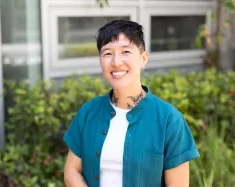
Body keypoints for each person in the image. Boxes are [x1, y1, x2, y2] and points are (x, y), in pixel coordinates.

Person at [63, 20, 199, 187]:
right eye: (107, 54)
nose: (116, 62)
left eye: (125, 51)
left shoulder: (169, 120)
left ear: (143, 58)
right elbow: (71, 171)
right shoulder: (88, 112)